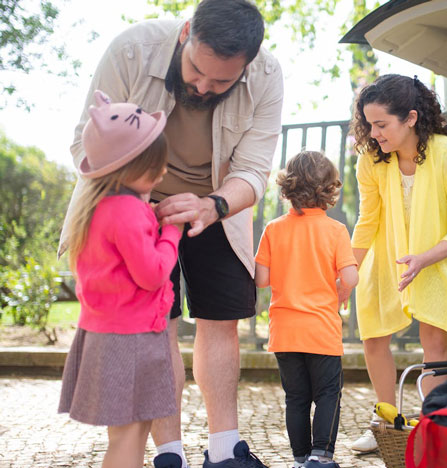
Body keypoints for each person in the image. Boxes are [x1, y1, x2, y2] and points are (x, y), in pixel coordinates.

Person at [58, 1, 283, 467]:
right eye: (197, 70)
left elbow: (255, 170)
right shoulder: (131, 50)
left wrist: (213, 205)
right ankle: (169, 454)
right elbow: (86, 138)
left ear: (247, 66)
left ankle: (225, 451)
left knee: (221, 320)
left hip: (216, 203)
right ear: (185, 34)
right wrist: (137, 203)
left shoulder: (267, 76)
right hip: (132, 200)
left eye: (221, 82)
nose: (203, 87)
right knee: (153, 324)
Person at [348, 74, 447, 452]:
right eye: (368, 125)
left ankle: (432, 426)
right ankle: (385, 422)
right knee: (373, 336)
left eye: (381, 125)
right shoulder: (371, 160)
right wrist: (349, 269)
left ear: (410, 118)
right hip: (386, 256)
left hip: (436, 259)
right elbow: (368, 219)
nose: (374, 134)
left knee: (434, 340)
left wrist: (424, 258)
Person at [58, 91, 182, 468]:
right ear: (128, 168)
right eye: (155, 165)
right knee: (130, 440)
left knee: (122, 436)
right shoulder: (128, 212)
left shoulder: (97, 209)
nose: (162, 172)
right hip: (132, 341)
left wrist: (154, 221)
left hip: (103, 337)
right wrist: (171, 233)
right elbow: (153, 274)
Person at [254, 151, 359, 468]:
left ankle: (300, 458)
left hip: (285, 331)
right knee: (328, 393)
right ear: (329, 191)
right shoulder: (336, 230)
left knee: (296, 398)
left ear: (287, 188)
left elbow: (261, 280)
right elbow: (351, 276)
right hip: (321, 330)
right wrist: (341, 287)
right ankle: (321, 456)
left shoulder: (274, 229)